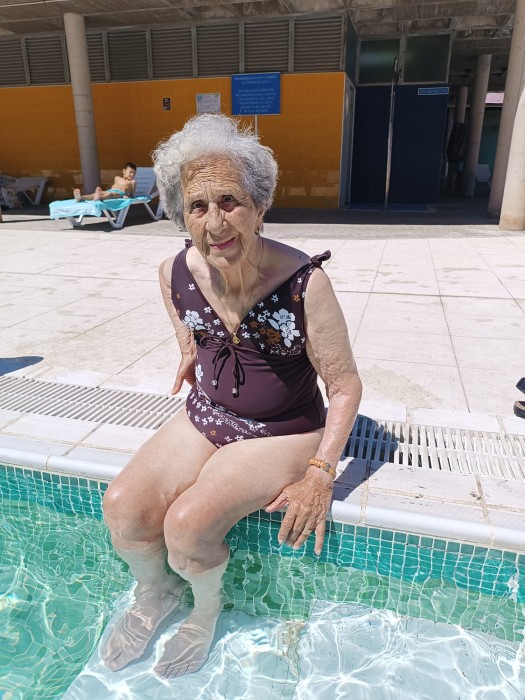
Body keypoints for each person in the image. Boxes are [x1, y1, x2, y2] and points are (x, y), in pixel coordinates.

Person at [101, 114, 362, 679]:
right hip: (206, 414)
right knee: (122, 505)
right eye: (197, 206)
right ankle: (156, 591)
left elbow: (344, 386)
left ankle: (205, 609)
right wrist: (187, 345)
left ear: (259, 207)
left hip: (282, 429)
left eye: (230, 201)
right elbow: (170, 290)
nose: (215, 222)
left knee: (188, 524)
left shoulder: (304, 284)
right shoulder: (178, 269)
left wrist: (321, 474)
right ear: (181, 215)